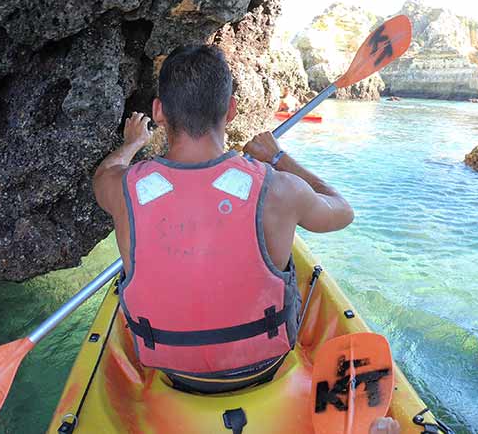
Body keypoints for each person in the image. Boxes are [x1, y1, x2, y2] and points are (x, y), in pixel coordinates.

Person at [92, 45, 354, 394]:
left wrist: (132, 143)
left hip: (171, 368)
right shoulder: (280, 189)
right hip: (263, 362)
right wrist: (279, 158)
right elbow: (342, 210)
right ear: (230, 110)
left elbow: (105, 174)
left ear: (159, 111)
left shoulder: (123, 188)